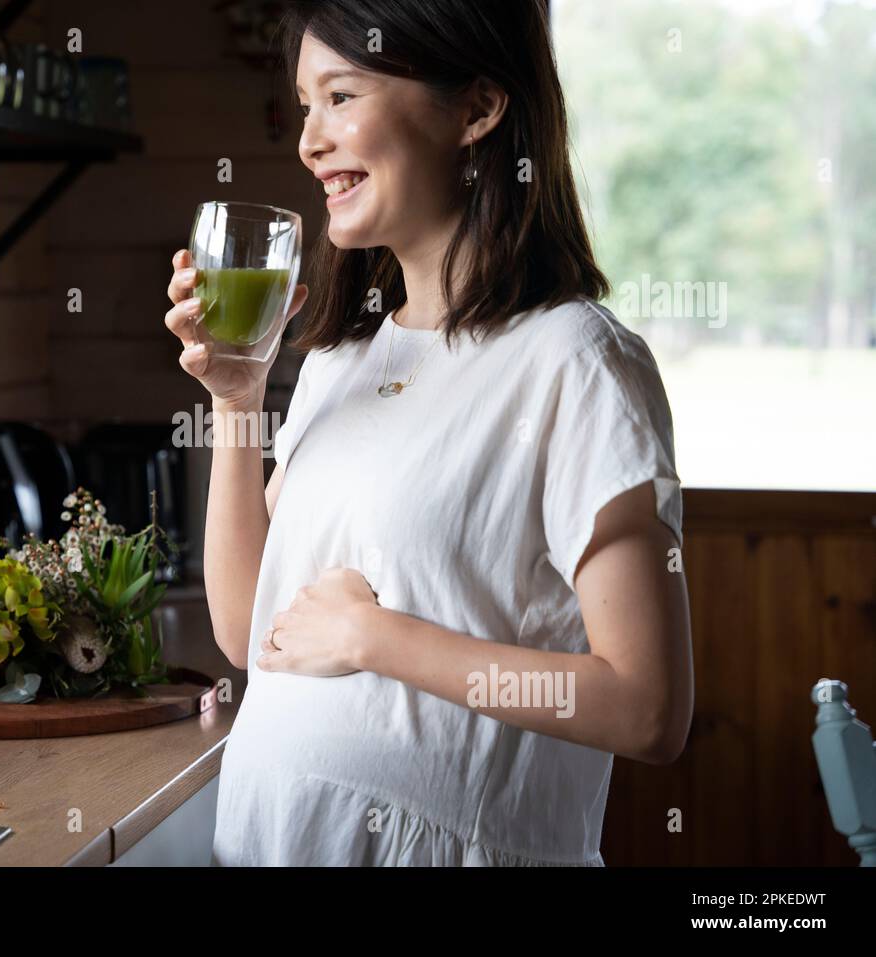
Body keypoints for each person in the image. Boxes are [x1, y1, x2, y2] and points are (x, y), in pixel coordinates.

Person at [163, 0, 692, 866]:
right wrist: (238, 397)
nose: (310, 140)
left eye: (341, 96)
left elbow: (647, 708)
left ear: (477, 110)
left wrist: (379, 639)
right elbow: (251, 633)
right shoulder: (340, 363)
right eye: (305, 107)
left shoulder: (576, 362)